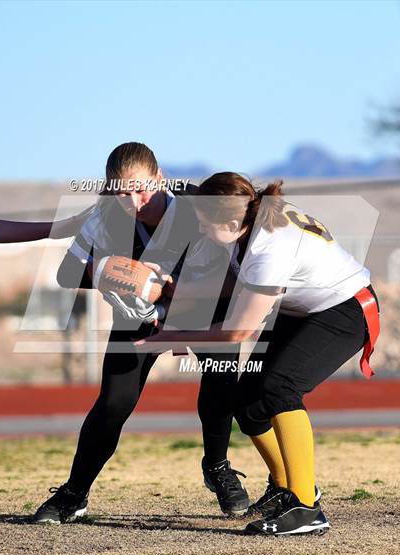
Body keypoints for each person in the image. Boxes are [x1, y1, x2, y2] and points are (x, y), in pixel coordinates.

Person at [136, 171, 380, 536]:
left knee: (279, 387)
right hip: (304, 309)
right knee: (248, 403)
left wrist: (169, 335)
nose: (201, 231)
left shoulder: (269, 246)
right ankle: (289, 488)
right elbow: (239, 281)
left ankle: (306, 509)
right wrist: (183, 290)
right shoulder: (247, 218)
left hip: (346, 308)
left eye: (204, 224)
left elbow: (238, 330)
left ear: (233, 221)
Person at [26, 143, 250, 523]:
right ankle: (74, 493)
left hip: (203, 311)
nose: (133, 200)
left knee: (221, 390)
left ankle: (217, 467)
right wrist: (112, 273)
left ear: (160, 177)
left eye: (141, 188)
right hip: (138, 319)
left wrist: (175, 287)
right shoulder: (105, 216)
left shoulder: (198, 205)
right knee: (113, 404)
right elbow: (66, 274)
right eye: (121, 191)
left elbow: (238, 279)